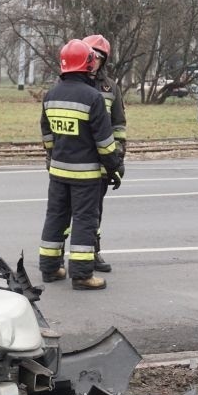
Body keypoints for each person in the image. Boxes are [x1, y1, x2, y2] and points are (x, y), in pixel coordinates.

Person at [33, 39, 122, 291]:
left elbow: (47, 135)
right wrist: (114, 168)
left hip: (58, 171)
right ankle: (82, 275)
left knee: (56, 217)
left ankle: (50, 269)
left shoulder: (51, 95)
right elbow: (105, 143)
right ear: (89, 64)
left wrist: (54, 158)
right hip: (86, 175)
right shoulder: (93, 97)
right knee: (84, 220)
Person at [82, 34, 127, 273]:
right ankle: (55, 259)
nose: (95, 60)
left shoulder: (110, 88)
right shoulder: (71, 83)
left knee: (94, 213)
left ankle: (93, 252)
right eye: (92, 54)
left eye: (100, 57)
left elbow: (118, 126)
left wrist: (117, 160)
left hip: (100, 163)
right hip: (75, 161)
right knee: (65, 212)